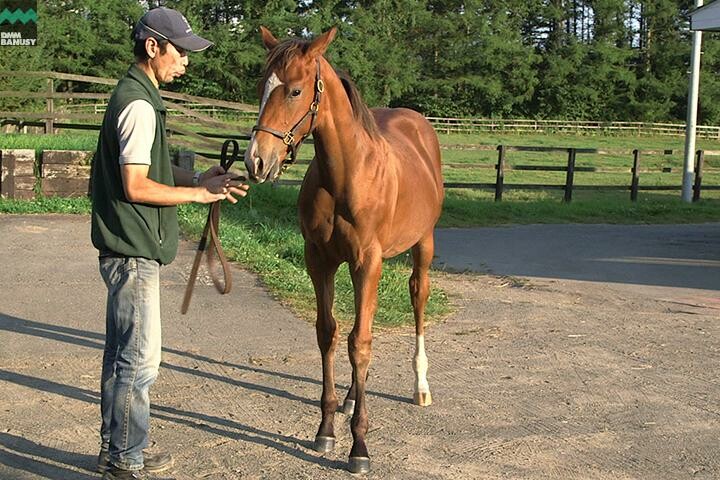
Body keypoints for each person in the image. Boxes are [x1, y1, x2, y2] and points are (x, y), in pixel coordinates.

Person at [90, 7, 248, 480]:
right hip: (133, 249)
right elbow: (137, 185)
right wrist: (201, 194)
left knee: (122, 356)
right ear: (154, 47)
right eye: (180, 51)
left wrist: (197, 175)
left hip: (129, 246)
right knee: (139, 361)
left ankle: (118, 449)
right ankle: (124, 460)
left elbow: (149, 167)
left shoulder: (140, 97)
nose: (186, 61)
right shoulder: (138, 105)